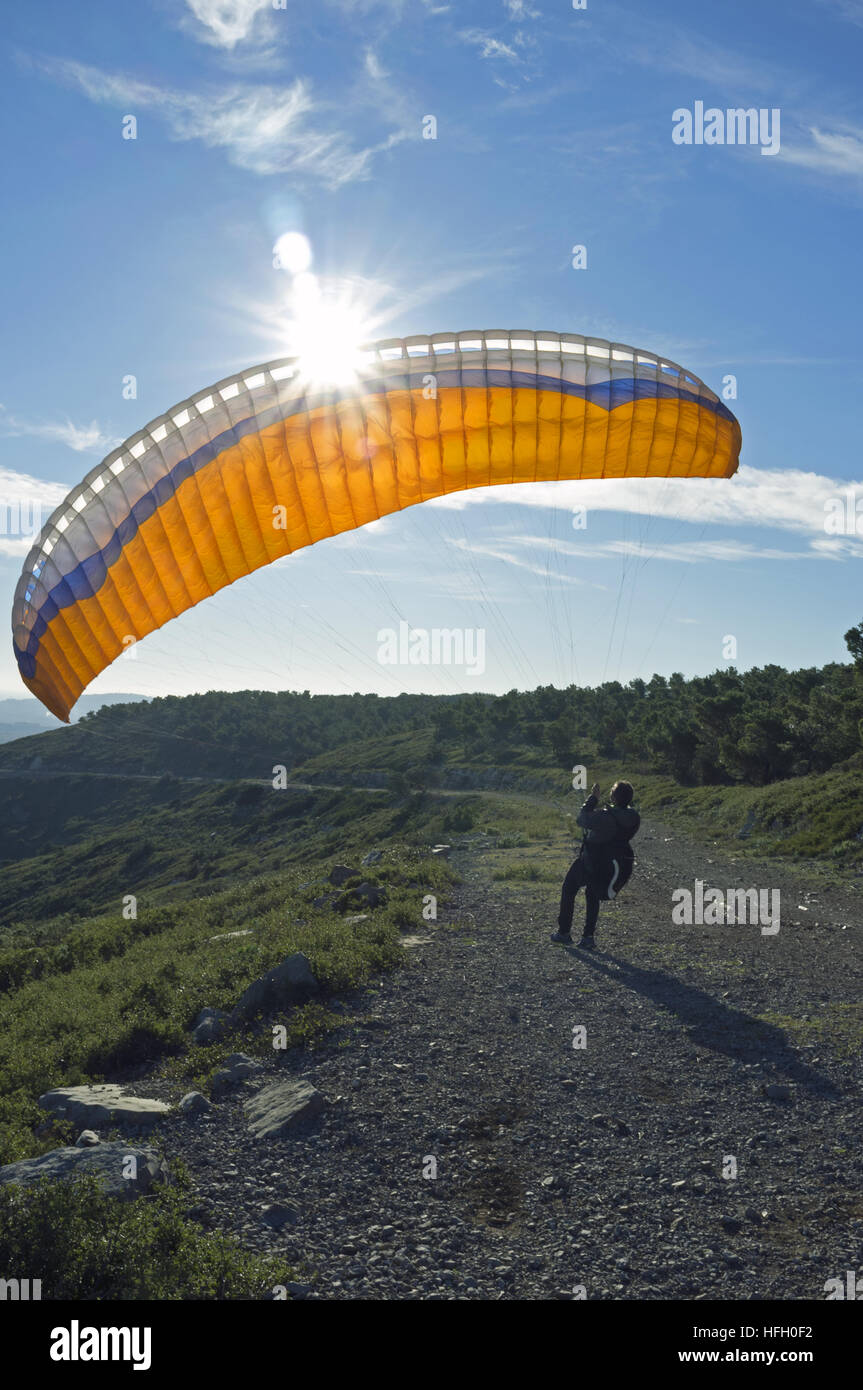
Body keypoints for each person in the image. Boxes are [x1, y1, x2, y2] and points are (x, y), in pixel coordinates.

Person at [550, 780, 640, 948]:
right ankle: (588, 937)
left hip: (591, 859)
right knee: (592, 896)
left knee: (569, 888)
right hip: (611, 862)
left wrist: (593, 798)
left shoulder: (605, 816)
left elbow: (581, 819)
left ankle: (564, 932)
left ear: (614, 796)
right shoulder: (634, 817)